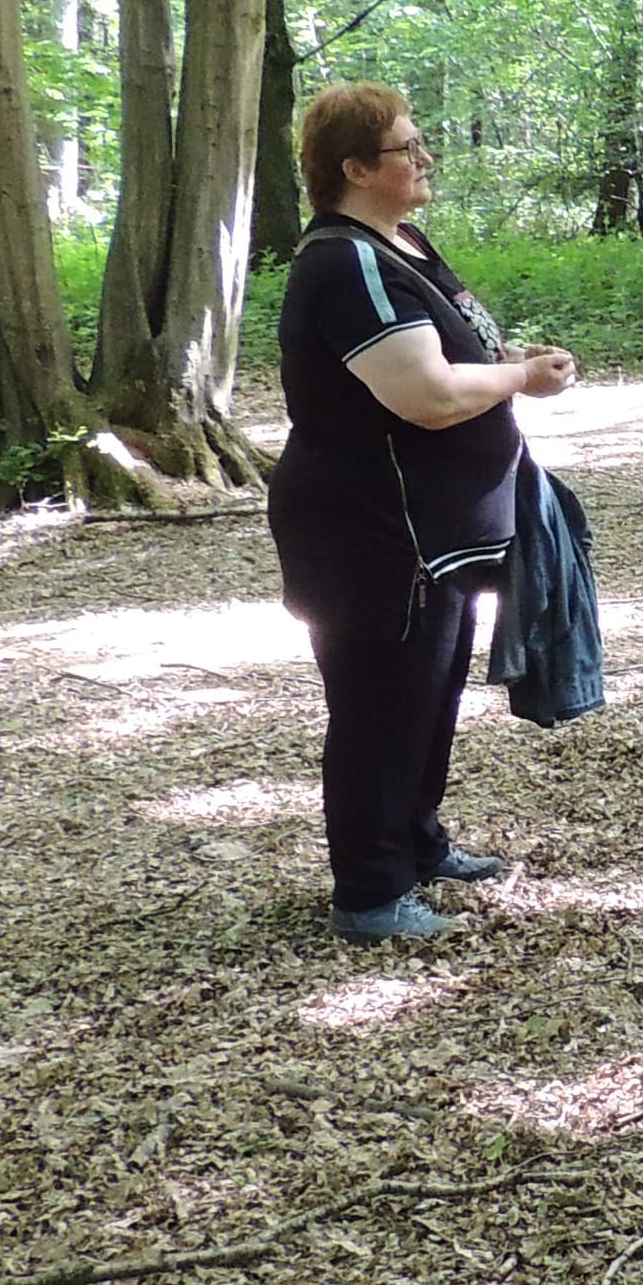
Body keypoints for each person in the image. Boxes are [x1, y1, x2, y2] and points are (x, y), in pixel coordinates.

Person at [266, 83, 577, 943]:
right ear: (357, 168)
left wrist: (511, 361)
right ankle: (369, 893)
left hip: (433, 533)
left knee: (429, 690)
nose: (424, 158)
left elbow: (452, 353)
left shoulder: (399, 245)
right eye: (406, 148)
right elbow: (428, 395)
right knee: (378, 706)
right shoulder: (345, 263)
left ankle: (417, 843)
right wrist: (516, 379)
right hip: (372, 532)